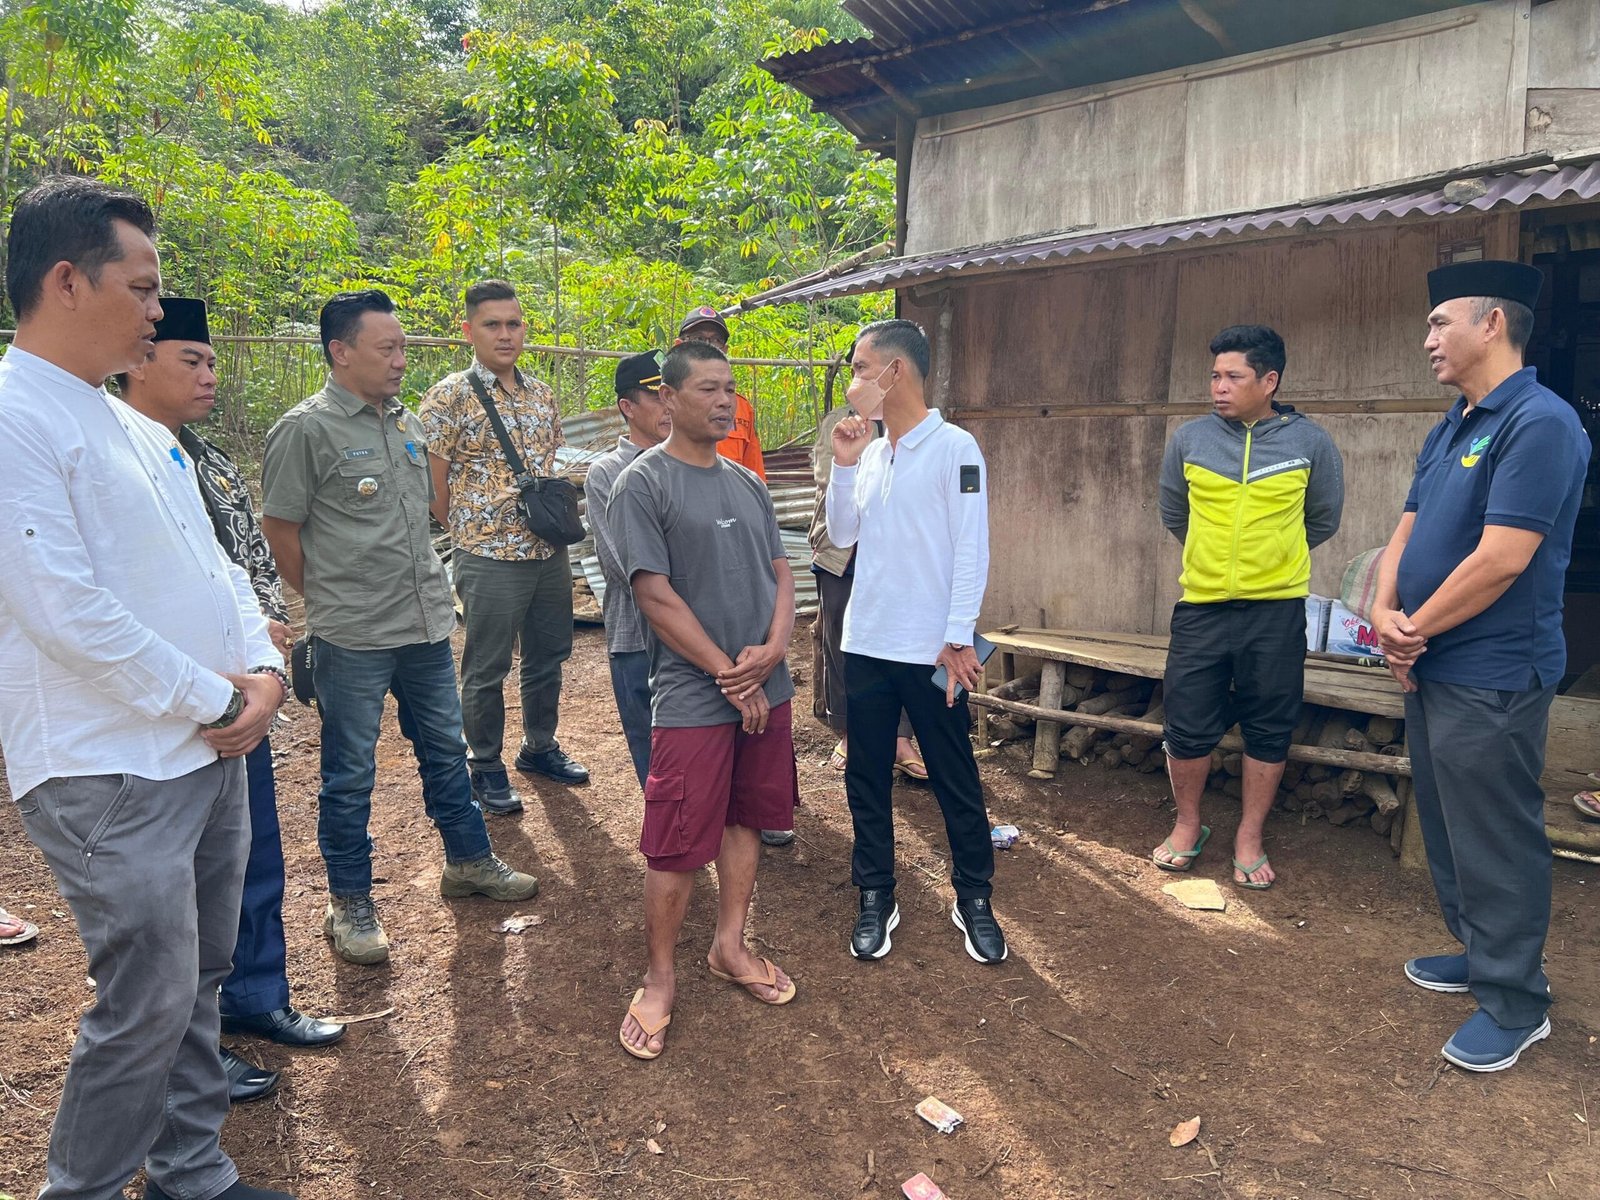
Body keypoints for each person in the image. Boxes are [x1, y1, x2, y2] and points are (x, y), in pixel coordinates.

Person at [0, 176, 292, 1200]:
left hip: (203, 750)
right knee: (146, 1000)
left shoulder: (136, 426)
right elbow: (61, 608)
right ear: (67, 281)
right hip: (108, 765)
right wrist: (216, 699)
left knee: (199, 976)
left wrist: (265, 672)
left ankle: (190, 1168)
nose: (159, 310)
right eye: (142, 286)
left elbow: (219, 572)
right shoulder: (14, 417)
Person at [261, 289, 538, 968]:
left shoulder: (407, 422)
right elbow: (281, 530)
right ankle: (350, 902)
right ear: (340, 351)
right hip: (353, 636)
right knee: (350, 773)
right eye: (386, 348)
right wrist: (329, 599)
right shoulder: (306, 430)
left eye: (403, 348)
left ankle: (468, 860)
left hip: (424, 627)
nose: (399, 360)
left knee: (445, 751)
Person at [117, 299, 346, 1084]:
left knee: (250, 858)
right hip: (167, 707)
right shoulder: (113, 457)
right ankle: (189, 1042)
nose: (209, 376)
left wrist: (267, 642)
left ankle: (254, 996)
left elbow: (247, 565)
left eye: (213, 362)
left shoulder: (205, 459)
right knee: (175, 887)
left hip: (246, 696)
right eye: (192, 360)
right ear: (137, 362)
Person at [1372, 260, 1588, 1073]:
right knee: (1450, 821)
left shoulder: (1540, 422)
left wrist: (1411, 631)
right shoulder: (1454, 423)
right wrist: (1384, 613)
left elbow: (1503, 559)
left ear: (1492, 324)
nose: (1428, 338)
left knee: (1496, 831)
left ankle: (1516, 1000)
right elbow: (1406, 528)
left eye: (1440, 322)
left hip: (1494, 669)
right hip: (1433, 659)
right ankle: (1480, 950)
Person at [610, 340, 800, 1060]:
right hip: (695, 691)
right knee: (677, 839)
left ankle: (729, 945)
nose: (724, 402)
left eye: (729, 389)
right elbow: (654, 596)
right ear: (668, 398)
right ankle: (659, 978)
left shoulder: (747, 483)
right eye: (707, 389)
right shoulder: (643, 484)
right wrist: (728, 673)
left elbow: (783, 575)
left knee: (746, 817)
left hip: (762, 683)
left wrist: (774, 650)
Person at [827, 319, 1006, 965]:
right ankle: (876, 892)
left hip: (933, 651)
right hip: (867, 641)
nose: (854, 382)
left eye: (860, 368)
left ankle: (974, 896)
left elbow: (971, 546)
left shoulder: (956, 448)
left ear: (894, 371)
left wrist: (958, 637)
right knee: (866, 773)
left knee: (954, 772)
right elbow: (842, 535)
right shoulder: (872, 453)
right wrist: (843, 464)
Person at [1154, 325, 1344, 890]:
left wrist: (1273, 560)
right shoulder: (1190, 440)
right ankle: (1188, 824)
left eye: (1233, 376)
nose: (1219, 386)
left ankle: (1250, 835)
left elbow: (1322, 519)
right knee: (1186, 724)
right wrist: (1212, 558)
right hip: (1202, 606)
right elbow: (1174, 512)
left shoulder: (1310, 443)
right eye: (1215, 375)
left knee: (1269, 726)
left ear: (1269, 381)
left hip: (1276, 611)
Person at [419, 280, 588, 810]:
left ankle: (539, 746)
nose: (505, 334)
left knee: (548, 656)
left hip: (547, 552)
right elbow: (433, 484)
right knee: (486, 666)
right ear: (468, 330)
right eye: (492, 325)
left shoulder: (542, 395)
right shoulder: (449, 396)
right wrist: (473, 531)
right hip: (488, 555)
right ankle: (485, 763)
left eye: (513, 324)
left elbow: (548, 464)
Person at [809, 402, 924, 780]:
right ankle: (849, 732)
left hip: (897, 556)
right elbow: (829, 480)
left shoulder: (915, 424)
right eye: (859, 372)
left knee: (901, 645)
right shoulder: (839, 423)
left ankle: (900, 738)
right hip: (841, 554)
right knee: (841, 641)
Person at [584, 350, 672, 788]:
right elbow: (625, 566)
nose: (668, 405)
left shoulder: (695, 463)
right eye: (656, 395)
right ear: (627, 407)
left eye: (672, 393)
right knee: (654, 750)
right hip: (638, 635)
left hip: (705, 634)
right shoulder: (607, 474)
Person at [677, 305, 765, 479]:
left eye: (716, 340)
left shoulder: (741, 407)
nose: (707, 347)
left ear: (724, 350)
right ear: (679, 346)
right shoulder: (664, 400)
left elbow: (755, 476)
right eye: (698, 338)